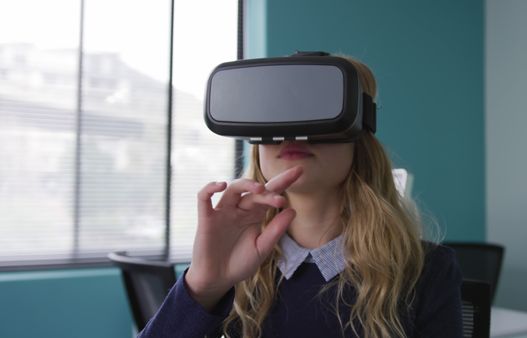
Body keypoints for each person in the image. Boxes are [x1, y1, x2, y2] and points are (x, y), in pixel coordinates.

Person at [139, 56, 463, 338]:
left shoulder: (425, 270)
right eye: (278, 118)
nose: (292, 134)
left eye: (319, 114)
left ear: (359, 138)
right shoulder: (236, 266)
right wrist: (204, 285)